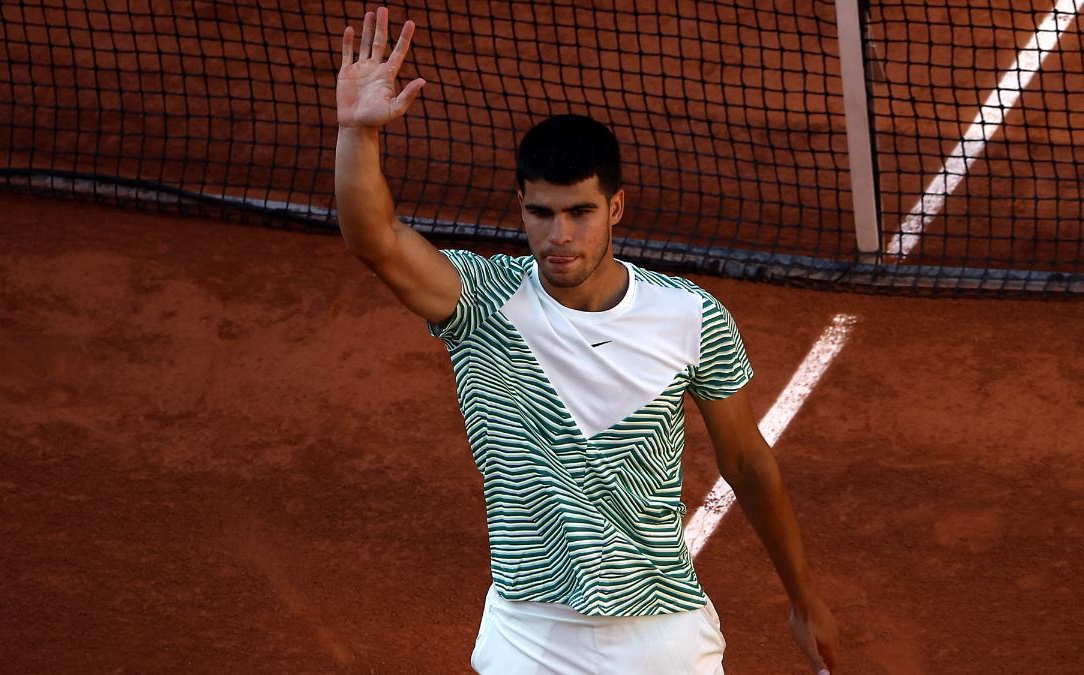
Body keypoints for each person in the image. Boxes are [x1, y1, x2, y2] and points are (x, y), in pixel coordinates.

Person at [333, 7, 839, 674]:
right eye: (541, 213)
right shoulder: (481, 300)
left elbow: (747, 463)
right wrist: (357, 132)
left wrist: (805, 599)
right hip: (529, 629)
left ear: (616, 207)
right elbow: (376, 240)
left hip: (662, 630)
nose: (560, 236)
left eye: (580, 213)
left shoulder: (690, 315)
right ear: (521, 204)